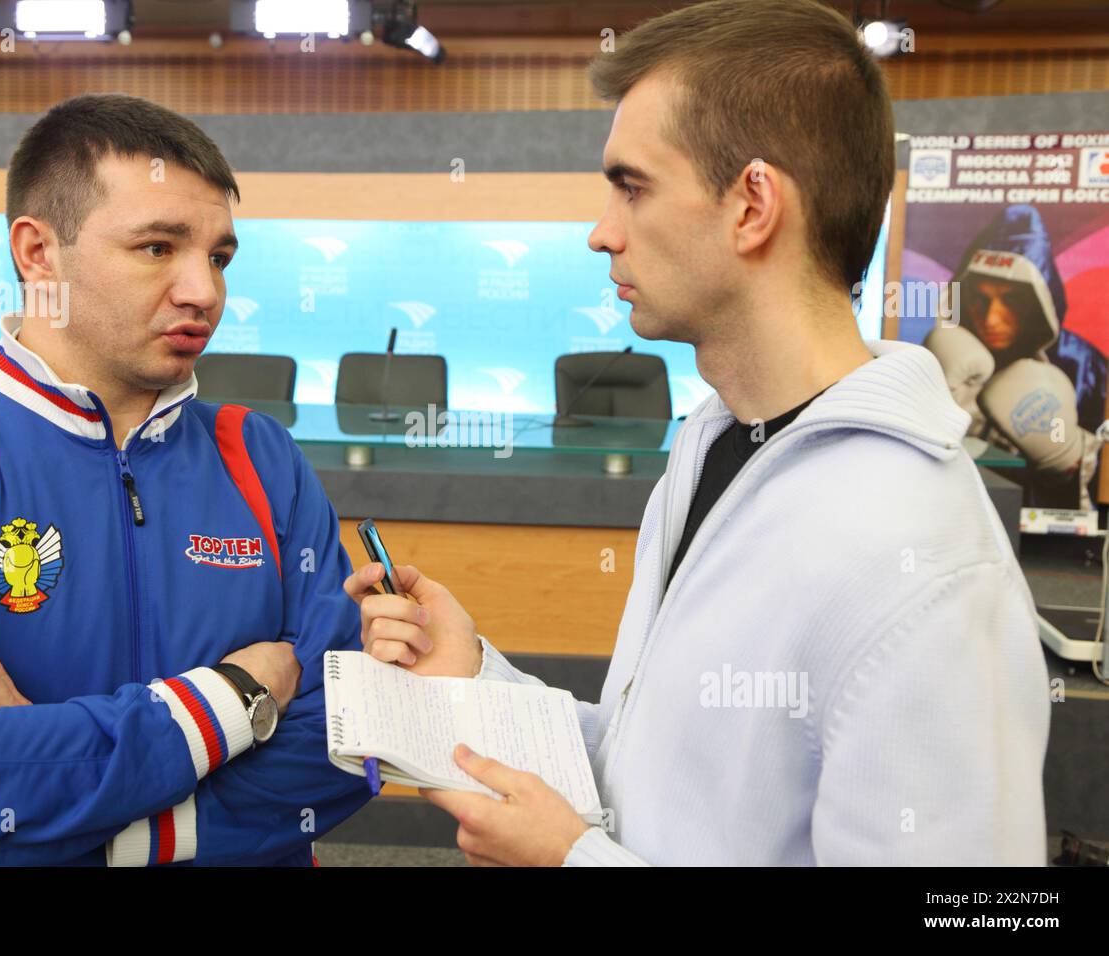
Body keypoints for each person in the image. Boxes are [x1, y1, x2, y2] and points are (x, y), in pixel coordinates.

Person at [344, 0, 1051, 866]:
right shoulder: (713, 443)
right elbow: (661, 767)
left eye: (632, 185)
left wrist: (574, 862)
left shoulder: (928, 564)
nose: (602, 232)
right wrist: (476, 675)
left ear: (753, 204)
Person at [0, 93, 370, 866]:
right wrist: (235, 697)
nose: (204, 291)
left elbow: (351, 743)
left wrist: (43, 791)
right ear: (39, 255)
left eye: (218, 257)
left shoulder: (262, 456)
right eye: (157, 247)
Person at [924, 204, 1106, 510]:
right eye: (980, 299)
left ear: (1039, 302)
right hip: (944, 521)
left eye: (1011, 300)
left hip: (1045, 549)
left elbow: (1099, 490)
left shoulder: (1084, 365)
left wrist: (1067, 459)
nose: (992, 319)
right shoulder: (938, 357)